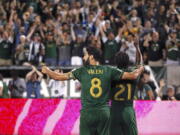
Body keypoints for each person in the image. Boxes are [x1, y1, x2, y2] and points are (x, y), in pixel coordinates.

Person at [42, 46, 144, 135]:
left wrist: (47, 71)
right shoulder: (108, 69)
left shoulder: (81, 71)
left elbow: (59, 77)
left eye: (85, 55)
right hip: (104, 112)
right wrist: (140, 69)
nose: (83, 57)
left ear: (91, 57)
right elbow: (132, 75)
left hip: (88, 113)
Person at [110, 40, 143, 135]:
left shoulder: (111, 73)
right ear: (128, 61)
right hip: (127, 110)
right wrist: (137, 47)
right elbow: (138, 63)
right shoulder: (133, 72)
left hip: (114, 111)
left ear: (116, 62)